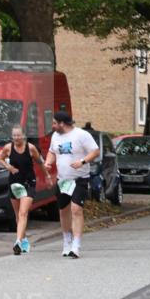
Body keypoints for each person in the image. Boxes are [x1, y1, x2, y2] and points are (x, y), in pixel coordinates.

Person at [44, 110, 100, 258]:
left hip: (79, 178)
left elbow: (95, 151)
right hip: (63, 180)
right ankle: (66, 240)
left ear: (62, 124)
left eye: (55, 123)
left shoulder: (81, 135)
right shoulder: (55, 136)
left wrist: (82, 161)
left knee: (76, 209)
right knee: (63, 211)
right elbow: (52, 152)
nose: (53, 125)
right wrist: (48, 162)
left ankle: (76, 245)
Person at [0, 124, 52, 254]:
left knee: (23, 213)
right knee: (18, 215)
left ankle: (18, 242)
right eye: (14, 135)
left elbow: (40, 162)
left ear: (24, 136)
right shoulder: (8, 148)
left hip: (28, 183)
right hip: (14, 183)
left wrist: (48, 177)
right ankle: (24, 239)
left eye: (18, 135)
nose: (16, 138)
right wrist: (8, 167)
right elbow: (0, 159)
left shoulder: (31, 148)